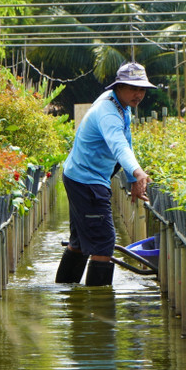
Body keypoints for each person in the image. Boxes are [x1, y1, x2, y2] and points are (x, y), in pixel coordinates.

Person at [55, 62, 153, 286]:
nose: (138, 94)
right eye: (133, 88)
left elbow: (126, 141)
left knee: (80, 241)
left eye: (142, 89)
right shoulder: (108, 112)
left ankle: (66, 294)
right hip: (87, 180)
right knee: (104, 243)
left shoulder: (119, 103)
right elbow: (118, 145)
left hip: (79, 175)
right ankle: (98, 310)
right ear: (119, 87)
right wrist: (138, 173)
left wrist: (131, 179)